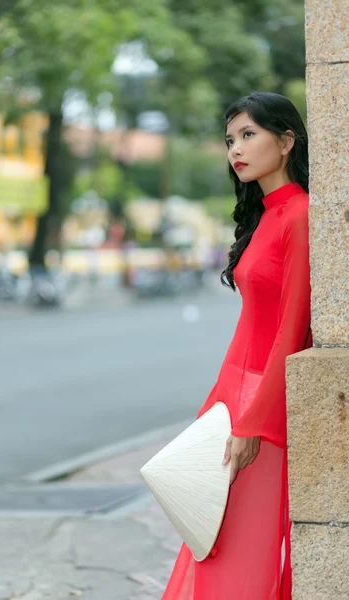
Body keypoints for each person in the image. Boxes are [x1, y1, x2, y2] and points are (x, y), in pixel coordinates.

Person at [161, 91, 312, 600]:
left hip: (264, 415)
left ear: (286, 141)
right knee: (217, 543)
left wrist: (253, 422)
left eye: (249, 135)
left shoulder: (300, 216)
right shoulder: (264, 217)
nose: (236, 150)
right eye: (230, 140)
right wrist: (217, 408)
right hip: (238, 401)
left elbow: (291, 332)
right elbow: (249, 328)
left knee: (243, 552)